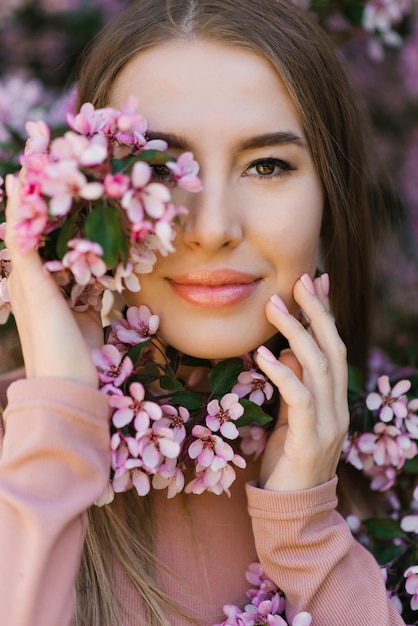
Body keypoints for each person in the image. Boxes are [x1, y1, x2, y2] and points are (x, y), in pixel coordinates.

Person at [0, 0, 405, 625]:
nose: (212, 228)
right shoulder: (16, 456)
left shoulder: (391, 477)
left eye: (267, 165)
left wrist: (310, 542)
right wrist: (57, 425)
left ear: (329, 197)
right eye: (162, 167)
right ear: (88, 192)